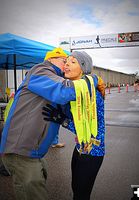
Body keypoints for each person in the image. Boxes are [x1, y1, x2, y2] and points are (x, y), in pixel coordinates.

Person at [0, 47, 80, 200]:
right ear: (51, 60)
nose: (67, 65)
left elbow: (71, 111)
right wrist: (91, 80)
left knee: (38, 182)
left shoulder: (55, 78)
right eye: (64, 61)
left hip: (32, 150)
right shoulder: (40, 71)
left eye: (70, 62)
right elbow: (64, 91)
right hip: (21, 150)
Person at [42, 51, 105, 200]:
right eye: (67, 61)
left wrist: (62, 120)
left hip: (92, 152)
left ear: (83, 68)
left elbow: (91, 130)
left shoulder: (91, 94)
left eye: (73, 62)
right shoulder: (73, 89)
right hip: (79, 148)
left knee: (81, 194)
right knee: (76, 188)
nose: (67, 64)